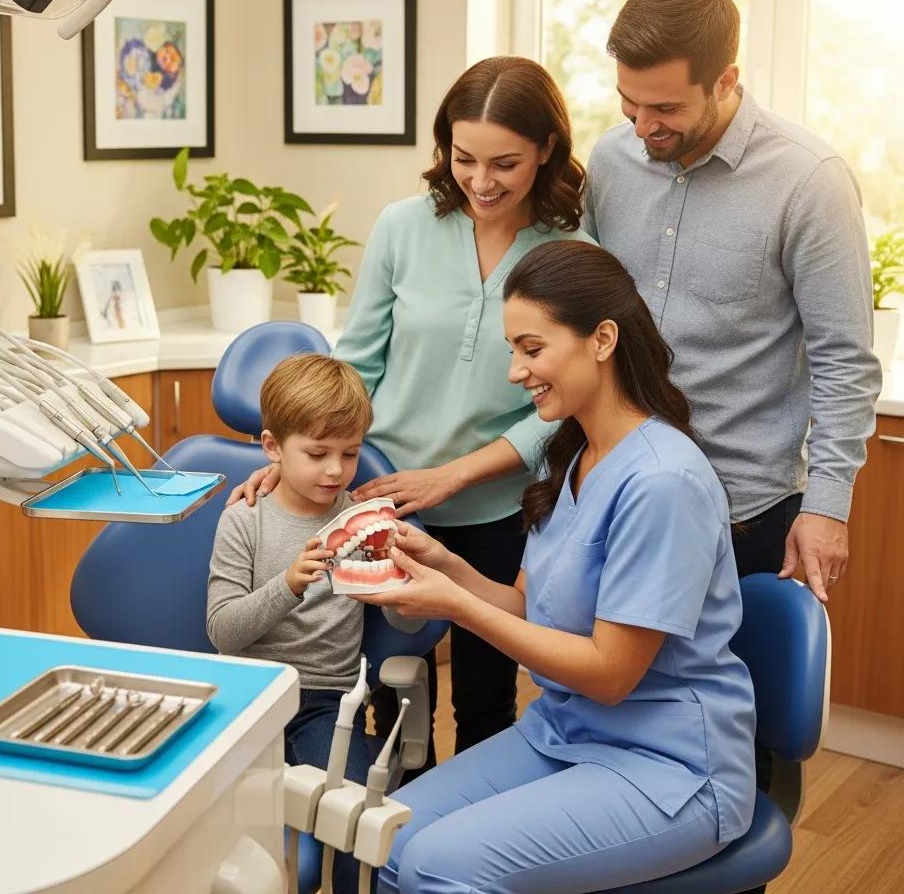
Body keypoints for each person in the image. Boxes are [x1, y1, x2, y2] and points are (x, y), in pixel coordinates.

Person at [356, 240, 756, 894]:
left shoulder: (662, 482)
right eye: (512, 349)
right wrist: (445, 565)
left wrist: (455, 607)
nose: (515, 371)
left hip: (671, 768)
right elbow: (524, 606)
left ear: (602, 339)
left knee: (438, 864)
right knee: (391, 832)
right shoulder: (568, 454)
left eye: (532, 349)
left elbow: (609, 674)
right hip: (565, 733)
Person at [229, 56, 595, 757]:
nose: (481, 182)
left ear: (547, 150)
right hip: (383, 491)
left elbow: (563, 405)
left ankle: (471, 849)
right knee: (389, 697)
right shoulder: (402, 227)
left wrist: (454, 476)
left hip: (500, 508)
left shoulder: (573, 252)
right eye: (464, 159)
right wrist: (290, 462)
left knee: (488, 697)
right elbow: (357, 365)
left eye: (505, 164)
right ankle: (391, 843)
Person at [583, 0, 882, 603]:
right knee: (617, 689)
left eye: (666, 109)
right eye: (629, 103)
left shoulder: (810, 181)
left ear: (726, 80)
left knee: (735, 698)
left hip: (743, 508)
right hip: (621, 486)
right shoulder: (610, 162)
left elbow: (844, 360)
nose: (642, 127)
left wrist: (828, 506)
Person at [206, 353, 375, 894]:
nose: (335, 471)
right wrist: (288, 585)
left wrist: (396, 574)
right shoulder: (244, 519)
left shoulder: (361, 519)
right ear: (272, 447)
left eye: (350, 454)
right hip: (249, 700)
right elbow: (223, 632)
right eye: (318, 453)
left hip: (328, 703)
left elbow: (401, 615)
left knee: (356, 816)